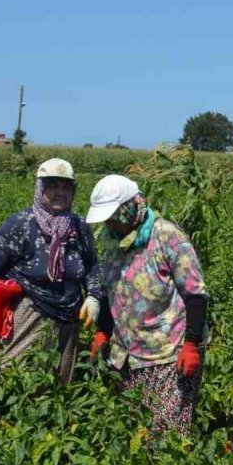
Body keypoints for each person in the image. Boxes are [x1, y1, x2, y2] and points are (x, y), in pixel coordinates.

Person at [85, 175, 209, 435]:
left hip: (168, 353)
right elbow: (111, 293)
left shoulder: (166, 236)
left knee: (166, 434)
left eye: (114, 216)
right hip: (126, 357)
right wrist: (102, 331)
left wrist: (191, 343)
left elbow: (195, 294)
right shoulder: (112, 243)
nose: (110, 223)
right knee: (134, 432)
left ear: (130, 207)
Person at [0, 158, 102, 384]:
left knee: (57, 384)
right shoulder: (21, 224)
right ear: (41, 189)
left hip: (69, 318)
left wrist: (94, 295)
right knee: (14, 376)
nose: (61, 192)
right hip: (30, 312)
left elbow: (93, 264)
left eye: (67, 187)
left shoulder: (79, 226)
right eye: (53, 186)